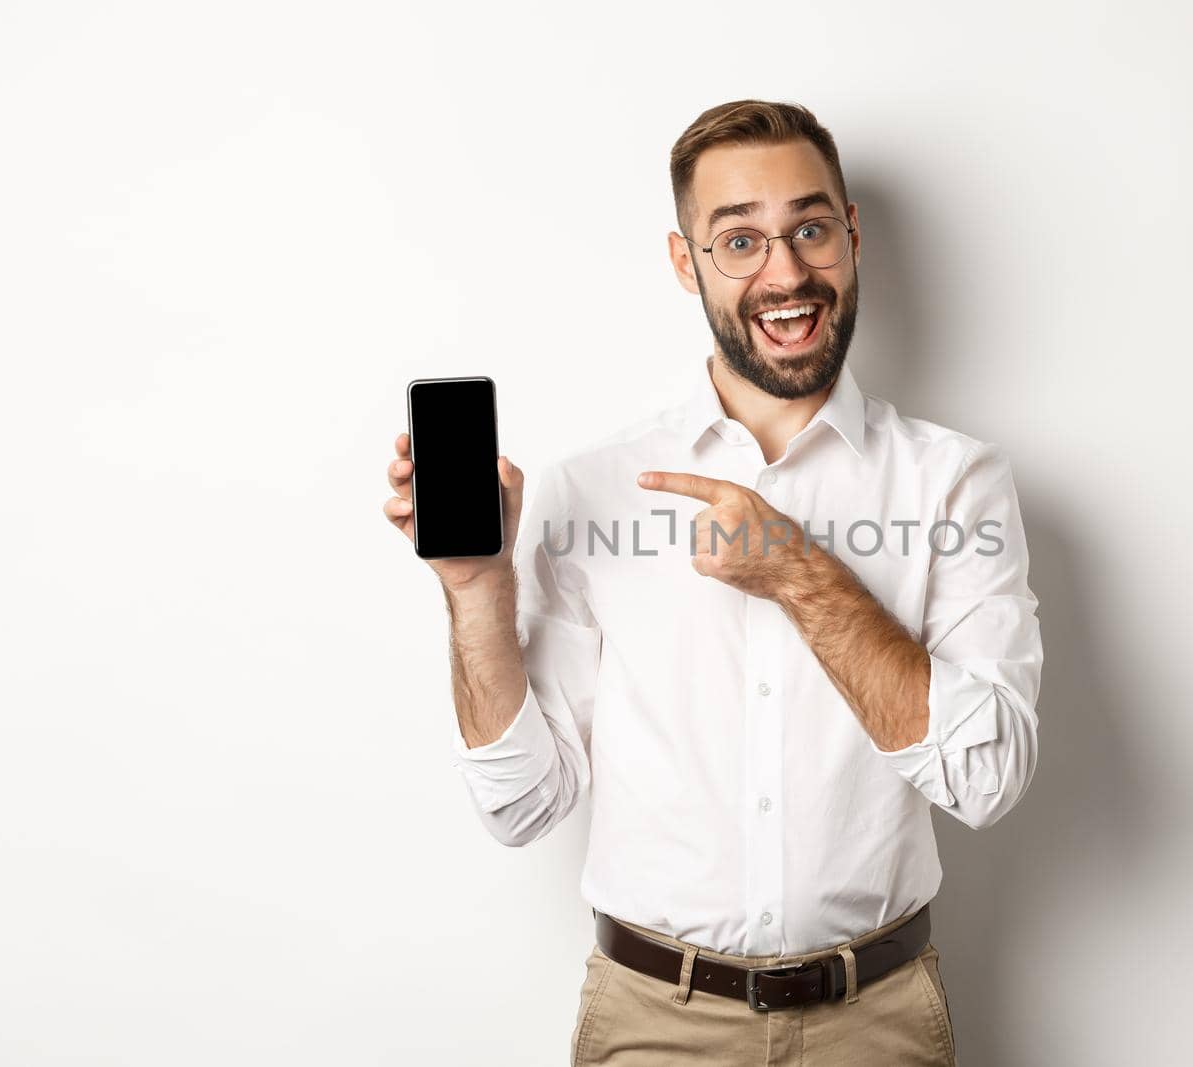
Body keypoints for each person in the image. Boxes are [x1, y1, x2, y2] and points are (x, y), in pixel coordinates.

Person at [382, 99, 1043, 1066]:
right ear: (687, 263)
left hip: (880, 1023)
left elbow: (987, 780)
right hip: (655, 1025)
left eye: (809, 229)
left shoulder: (955, 481)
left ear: (851, 236)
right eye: (740, 240)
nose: (785, 273)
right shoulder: (592, 487)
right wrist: (477, 591)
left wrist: (803, 575)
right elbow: (524, 806)